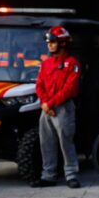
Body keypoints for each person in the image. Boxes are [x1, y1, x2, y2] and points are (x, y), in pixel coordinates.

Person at [31, 26, 80, 189]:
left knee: (66, 142)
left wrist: (49, 104)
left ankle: (71, 175)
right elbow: (39, 85)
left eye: (53, 42)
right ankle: (48, 176)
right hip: (46, 109)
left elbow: (69, 88)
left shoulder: (72, 64)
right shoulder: (46, 64)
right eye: (48, 42)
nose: (49, 45)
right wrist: (45, 104)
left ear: (63, 43)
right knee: (46, 142)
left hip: (63, 108)